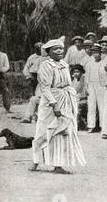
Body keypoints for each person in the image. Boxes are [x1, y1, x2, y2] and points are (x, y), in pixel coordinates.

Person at [29, 36, 86, 174]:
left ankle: (58, 165)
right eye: (56, 49)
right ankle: (36, 161)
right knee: (45, 130)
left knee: (63, 131)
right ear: (49, 52)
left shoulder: (65, 65)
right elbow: (45, 88)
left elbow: (67, 83)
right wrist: (54, 105)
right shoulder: (46, 65)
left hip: (65, 99)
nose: (60, 51)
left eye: (61, 48)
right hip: (51, 101)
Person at [84, 44, 103, 133]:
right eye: (94, 52)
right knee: (91, 105)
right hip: (91, 85)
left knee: (101, 106)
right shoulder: (89, 63)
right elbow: (86, 76)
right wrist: (86, 87)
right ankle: (91, 125)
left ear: (100, 53)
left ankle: (103, 126)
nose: (95, 54)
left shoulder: (103, 62)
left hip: (100, 85)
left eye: (97, 52)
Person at [71, 64, 87, 131]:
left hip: (84, 98)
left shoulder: (83, 78)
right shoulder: (75, 79)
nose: (76, 74)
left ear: (81, 72)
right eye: (74, 72)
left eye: (77, 72)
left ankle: (76, 125)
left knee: (77, 106)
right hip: (76, 98)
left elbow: (78, 89)